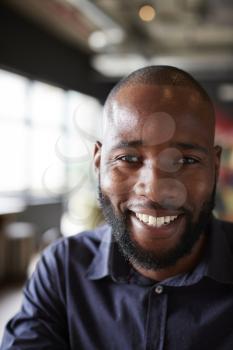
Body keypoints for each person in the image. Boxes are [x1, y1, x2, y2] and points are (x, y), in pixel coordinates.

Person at [1, 65, 233, 350]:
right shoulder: (62, 269)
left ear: (215, 165)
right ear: (99, 163)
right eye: (129, 158)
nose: (156, 189)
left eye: (186, 161)